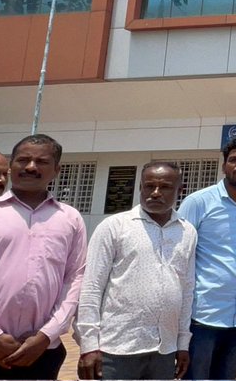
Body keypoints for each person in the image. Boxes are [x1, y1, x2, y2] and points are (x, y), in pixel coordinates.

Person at [76, 161, 197, 381]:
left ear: (180, 191)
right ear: (140, 188)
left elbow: (186, 290)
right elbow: (92, 288)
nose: (156, 193)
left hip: (164, 349)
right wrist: (89, 345)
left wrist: (182, 343)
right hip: (117, 348)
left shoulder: (187, 232)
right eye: (149, 186)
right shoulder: (114, 226)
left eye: (165, 187)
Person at [177, 137, 236, 380]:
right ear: (224, 165)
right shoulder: (198, 202)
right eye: (234, 159)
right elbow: (179, 258)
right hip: (201, 318)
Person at [0, 135, 87, 380]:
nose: (31, 167)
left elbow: (75, 279)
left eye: (41, 161)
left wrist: (47, 334)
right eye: (23, 160)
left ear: (56, 170)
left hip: (44, 350)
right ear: (12, 164)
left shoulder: (70, 219)